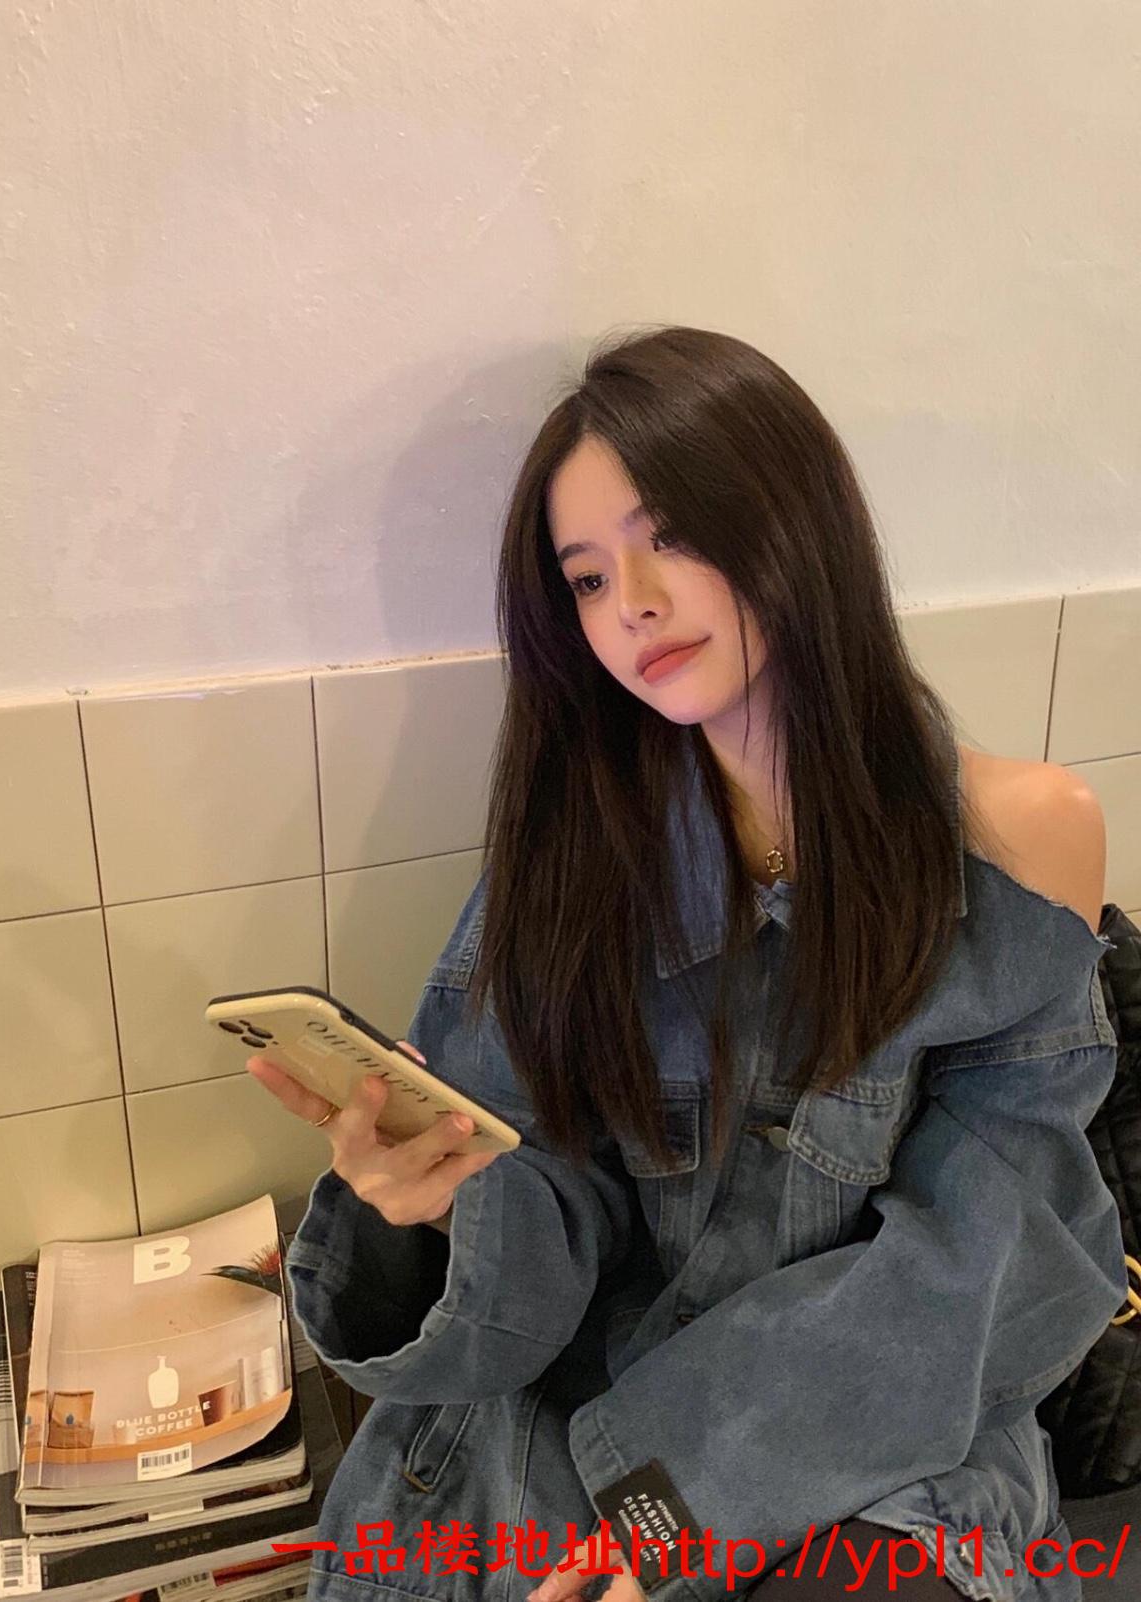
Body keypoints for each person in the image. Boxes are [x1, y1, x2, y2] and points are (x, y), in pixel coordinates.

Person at [247, 326, 1123, 1602]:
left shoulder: (1018, 840)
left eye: (671, 537)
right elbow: (548, 1222)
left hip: (881, 1450)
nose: (634, 603)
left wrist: (672, 1503)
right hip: (551, 1436)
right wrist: (434, 1204)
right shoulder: (567, 858)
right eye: (588, 578)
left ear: (798, 522)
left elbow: (981, 1264)